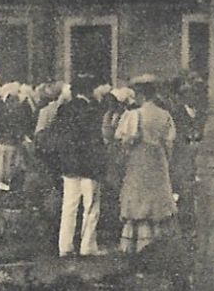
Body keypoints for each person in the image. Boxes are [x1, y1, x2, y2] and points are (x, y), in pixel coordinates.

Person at [39, 76, 107, 257]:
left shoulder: (64, 109)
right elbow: (96, 141)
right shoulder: (93, 110)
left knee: (69, 206)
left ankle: (65, 246)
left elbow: (58, 136)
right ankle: (87, 247)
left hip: (69, 164)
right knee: (90, 206)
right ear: (88, 90)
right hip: (89, 165)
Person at [114, 75, 180, 254]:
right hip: (158, 159)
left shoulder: (134, 115)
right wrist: (166, 160)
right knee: (157, 198)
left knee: (138, 197)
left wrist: (126, 154)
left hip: (139, 159)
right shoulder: (164, 114)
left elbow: (125, 141)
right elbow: (169, 142)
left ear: (141, 94)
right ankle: (158, 241)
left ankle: (138, 243)